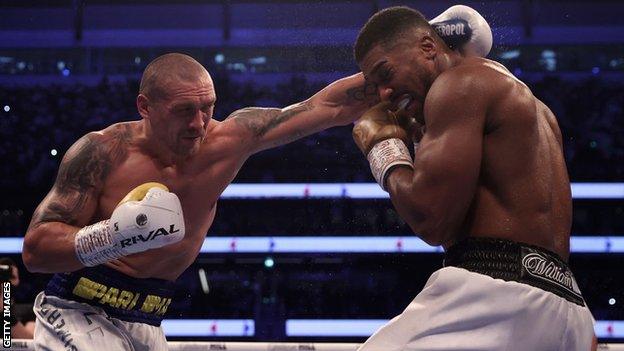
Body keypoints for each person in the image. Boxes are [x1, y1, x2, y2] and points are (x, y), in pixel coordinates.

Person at [22, 6, 488, 350]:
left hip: (149, 321)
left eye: (207, 108)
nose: (199, 124)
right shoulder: (102, 152)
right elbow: (36, 250)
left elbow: (329, 106)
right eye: (184, 111)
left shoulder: (229, 140)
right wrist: (113, 236)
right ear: (145, 107)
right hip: (78, 308)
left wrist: (435, 44)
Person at [351, 6, 595, 351]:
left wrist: (384, 148)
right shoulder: (535, 107)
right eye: (375, 87)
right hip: (569, 311)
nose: (384, 95)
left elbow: (432, 219)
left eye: (385, 73)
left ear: (427, 46)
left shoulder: (458, 84)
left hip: (497, 293)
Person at [0, 257, 35, 339]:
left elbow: (30, 341)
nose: (6, 280)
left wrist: (4, 312)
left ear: (18, 280)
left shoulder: (30, 310)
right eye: (1, 276)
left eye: (11, 277)